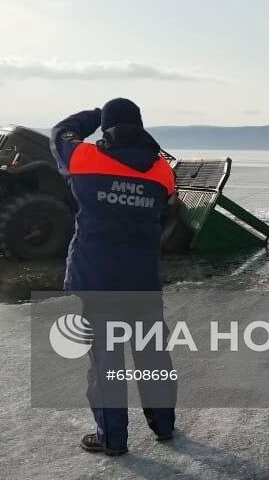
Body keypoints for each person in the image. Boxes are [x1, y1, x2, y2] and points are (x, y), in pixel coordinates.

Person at [50, 98, 177, 455]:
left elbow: (59, 133)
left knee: (107, 361)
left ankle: (113, 438)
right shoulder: (162, 171)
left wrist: (93, 116)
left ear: (107, 127)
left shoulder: (84, 158)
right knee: (153, 355)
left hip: (98, 278)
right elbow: (164, 209)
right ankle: (164, 425)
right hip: (143, 280)